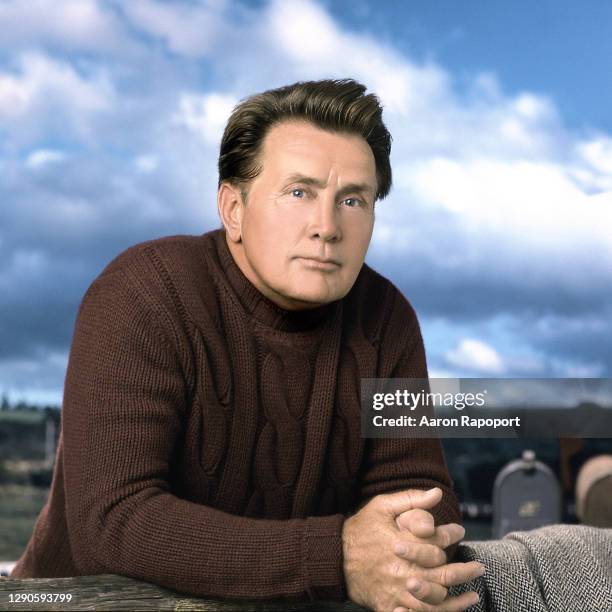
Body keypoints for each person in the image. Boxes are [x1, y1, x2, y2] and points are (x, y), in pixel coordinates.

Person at [11, 79, 485, 611]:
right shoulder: (143, 293)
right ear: (233, 207)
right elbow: (115, 521)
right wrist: (338, 557)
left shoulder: (387, 317)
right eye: (299, 192)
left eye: (353, 200)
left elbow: (421, 493)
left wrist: (411, 546)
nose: (327, 227)